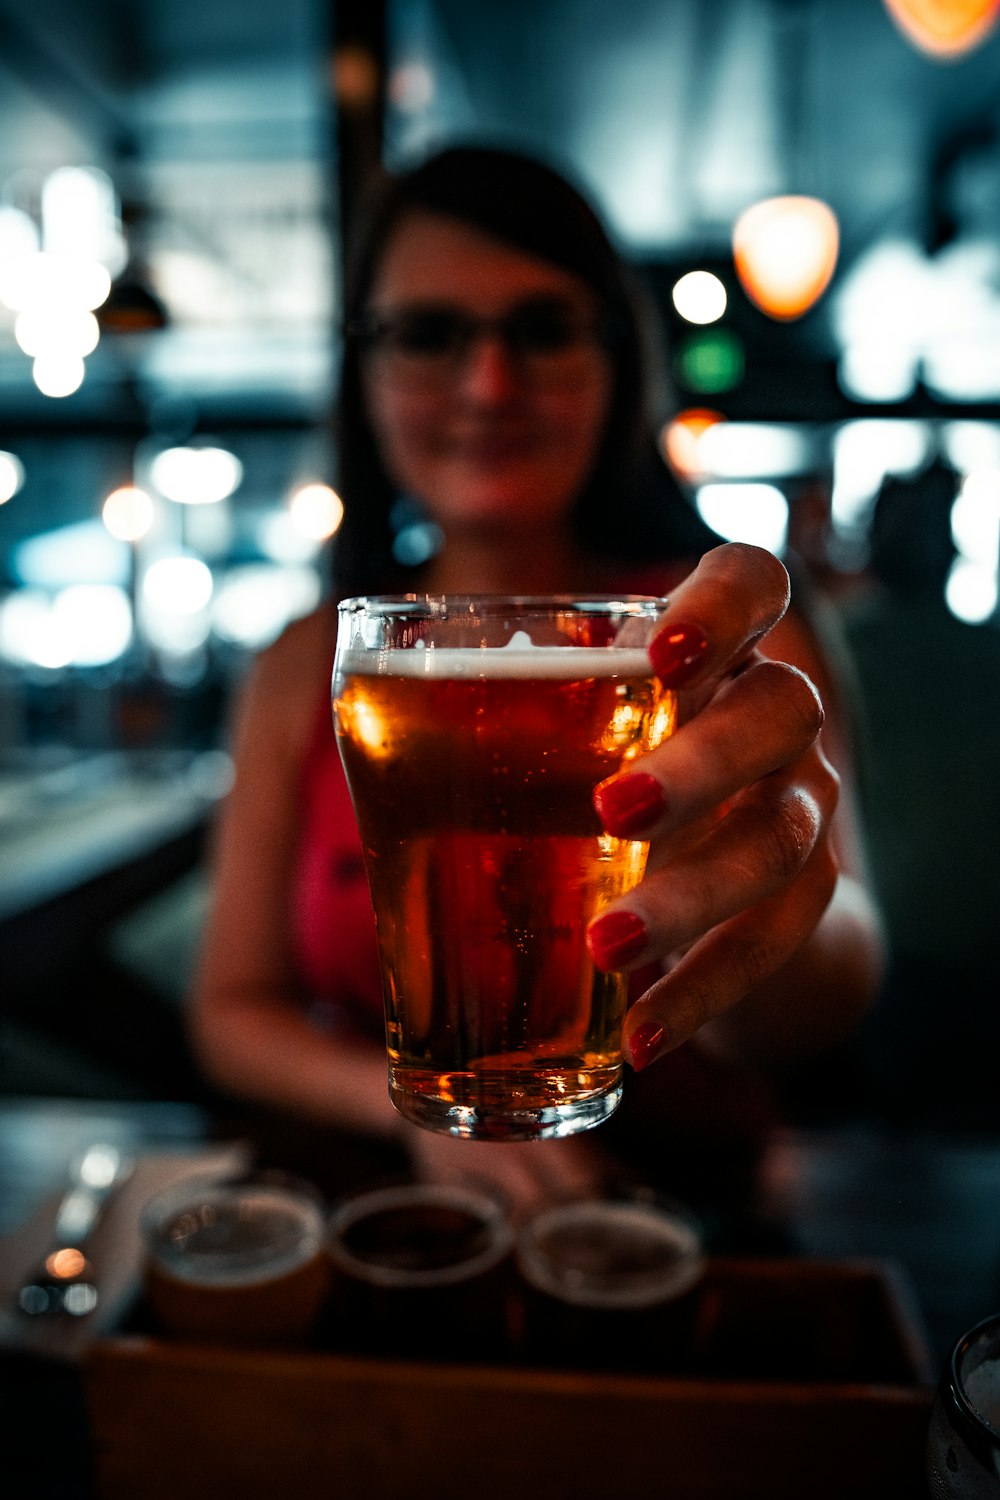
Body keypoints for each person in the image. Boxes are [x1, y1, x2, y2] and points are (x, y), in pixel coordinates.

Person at [188, 145, 884, 1219]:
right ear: (362, 374)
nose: (489, 384)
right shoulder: (310, 663)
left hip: (686, 1217)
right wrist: (415, 1116)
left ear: (618, 364)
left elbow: (834, 992)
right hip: (407, 1223)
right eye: (428, 333)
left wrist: (764, 906)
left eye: (543, 328)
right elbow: (230, 1008)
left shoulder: (717, 638)